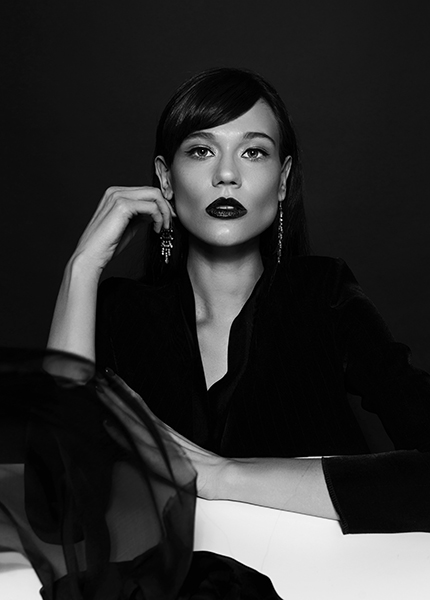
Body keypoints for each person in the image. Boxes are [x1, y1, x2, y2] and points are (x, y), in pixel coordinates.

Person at [32, 67, 430, 596]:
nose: (226, 175)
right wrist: (82, 269)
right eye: (201, 151)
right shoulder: (119, 314)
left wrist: (221, 475)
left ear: (283, 180)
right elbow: (54, 509)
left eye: (253, 152)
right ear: (165, 178)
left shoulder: (323, 296)